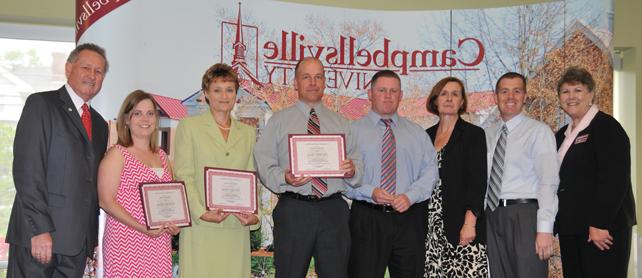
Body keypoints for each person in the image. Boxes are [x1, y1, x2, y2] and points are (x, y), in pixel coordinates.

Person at [5, 43, 109, 277]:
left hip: (76, 245)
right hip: (39, 239)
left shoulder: (100, 125)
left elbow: (90, 184)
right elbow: (28, 172)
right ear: (68, 68)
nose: (92, 75)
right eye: (86, 67)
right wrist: (39, 230)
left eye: (99, 71)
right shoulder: (41, 105)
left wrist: (90, 240)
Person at [254, 57, 362, 278]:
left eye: (318, 77)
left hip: (334, 211)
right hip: (294, 209)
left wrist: (352, 170)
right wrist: (284, 176)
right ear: (295, 83)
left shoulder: (341, 123)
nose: (313, 82)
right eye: (306, 77)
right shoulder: (278, 121)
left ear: (324, 82)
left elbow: (358, 165)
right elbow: (263, 163)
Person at [346, 70, 438, 278]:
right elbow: (342, 177)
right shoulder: (351, 132)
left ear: (401, 95)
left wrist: (410, 196)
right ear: (370, 94)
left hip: (409, 218)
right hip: (367, 217)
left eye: (393, 91)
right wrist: (370, 192)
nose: (388, 95)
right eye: (382, 90)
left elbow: (431, 172)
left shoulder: (417, 133)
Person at [174, 63, 259, 277]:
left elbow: (251, 177)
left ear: (236, 95)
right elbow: (184, 176)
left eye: (229, 90)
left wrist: (253, 215)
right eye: (217, 90)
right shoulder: (189, 127)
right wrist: (201, 212)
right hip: (201, 226)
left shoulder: (248, 133)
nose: (224, 96)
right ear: (206, 94)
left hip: (236, 227)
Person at [554, 67, 636, 278]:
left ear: (590, 94)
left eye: (578, 90)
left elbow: (615, 180)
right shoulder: (561, 135)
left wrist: (600, 223)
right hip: (571, 227)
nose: (571, 97)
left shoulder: (607, 127)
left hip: (601, 229)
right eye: (565, 91)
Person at [484, 72, 559, 278]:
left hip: (525, 217)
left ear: (525, 96)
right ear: (496, 97)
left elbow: (548, 182)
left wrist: (545, 228)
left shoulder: (538, 132)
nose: (510, 97)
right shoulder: (487, 134)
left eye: (517, 91)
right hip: (492, 215)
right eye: (504, 91)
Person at [98, 90, 180, 277]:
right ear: (126, 119)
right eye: (138, 113)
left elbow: (169, 201)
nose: (145, 118)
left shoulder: (162, 156)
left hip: (159, 245)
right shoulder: (117, 155)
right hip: (126, 244)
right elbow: (106, 202)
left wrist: (174, 225)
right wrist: (143, 228)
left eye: (150, 113)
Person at [424, 77, 488, 277]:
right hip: (430, 227)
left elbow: (478, 182)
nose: (449, 98)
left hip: (462, 225)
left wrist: (470, 223)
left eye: (455, 94)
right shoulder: (425, 136)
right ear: (435, 101)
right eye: (444, 94)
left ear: (462, 102)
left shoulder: (473, 134)